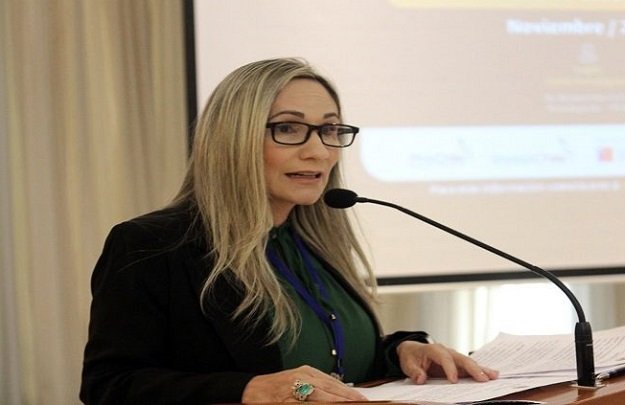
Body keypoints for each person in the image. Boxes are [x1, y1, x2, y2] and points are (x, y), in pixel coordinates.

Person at [80, 57, 497, 404]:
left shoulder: (311, 241)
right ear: (234, 139)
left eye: (329, 130)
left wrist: (402, 351)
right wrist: (249, 389)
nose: (318, 151)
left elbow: (332, 362)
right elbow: (109, 385)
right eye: (288, 129)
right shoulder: (153, 245)